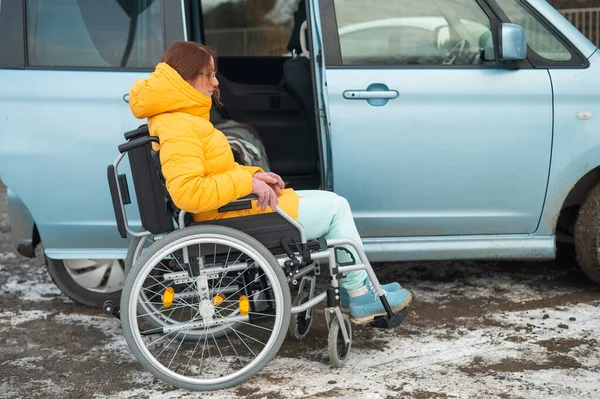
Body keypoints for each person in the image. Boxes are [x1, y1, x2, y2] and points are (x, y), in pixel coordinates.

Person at [128, 41, 412, 324]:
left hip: (233, 208)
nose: (215, 83)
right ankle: (361, 294)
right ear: (188, 78)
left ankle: (356, 288)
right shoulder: (180, 125)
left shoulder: (182, 118)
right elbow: (188, 193)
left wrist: (253, 175)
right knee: (336, 208)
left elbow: (214, 171)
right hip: (229, 216)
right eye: (209, 74)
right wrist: (246, 183)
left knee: (329, 201)